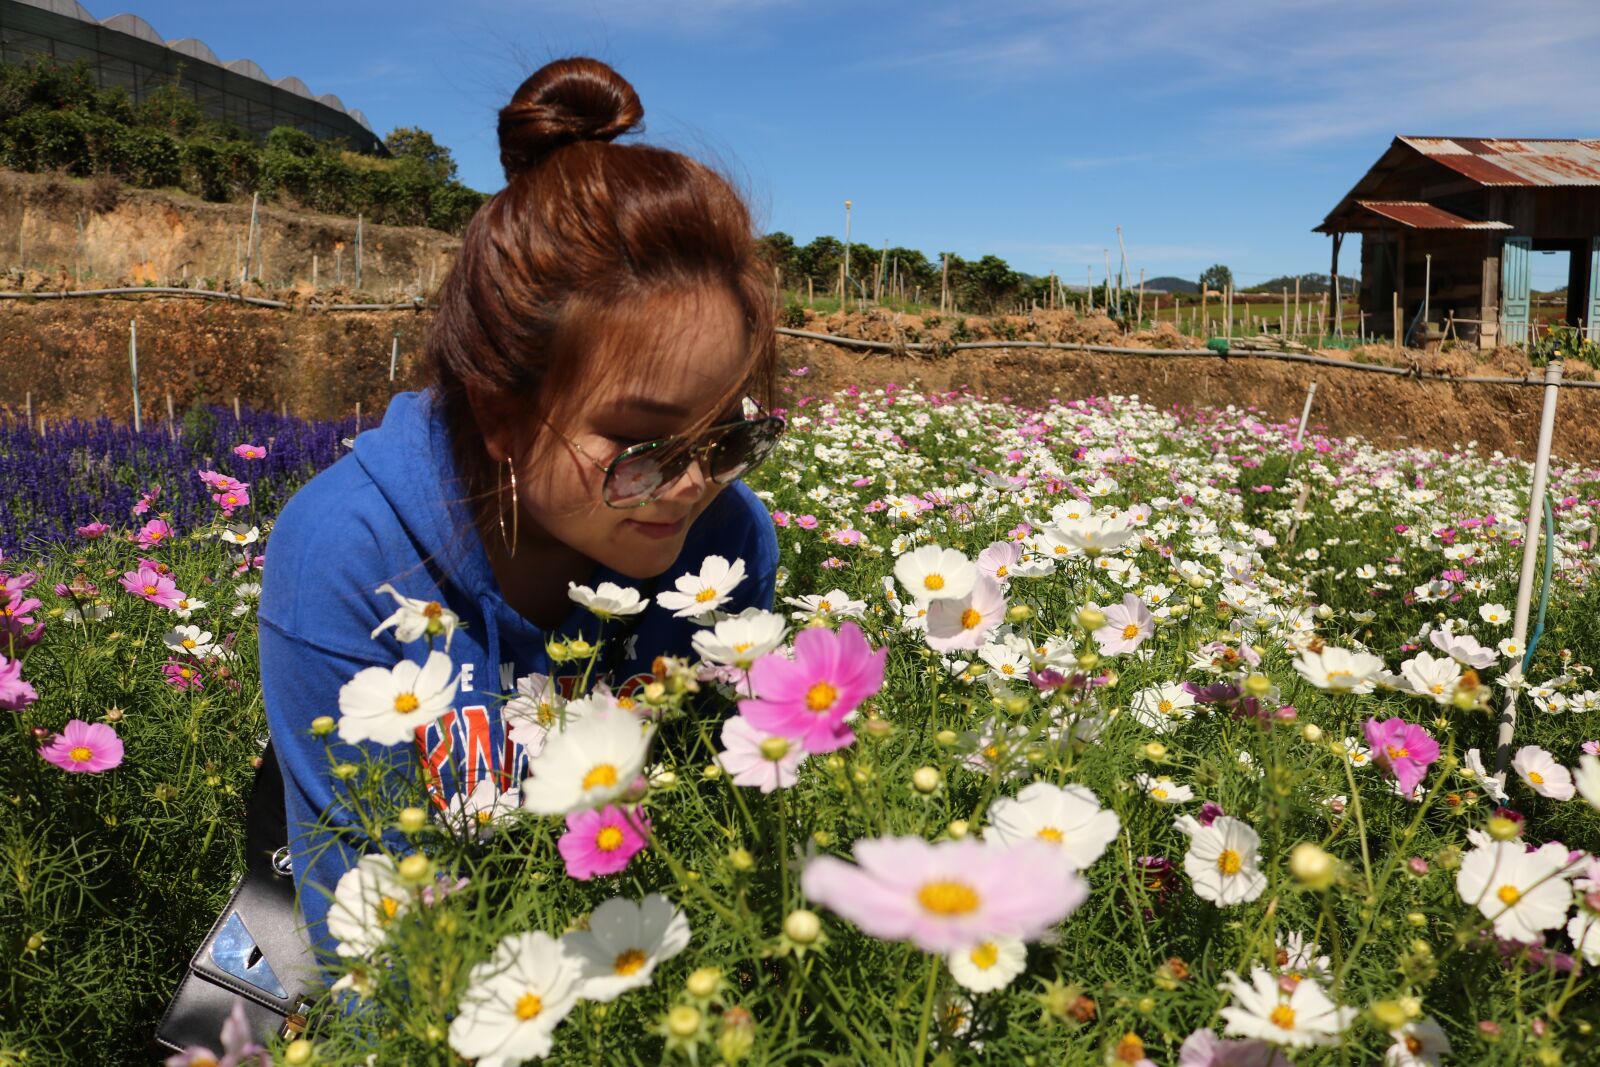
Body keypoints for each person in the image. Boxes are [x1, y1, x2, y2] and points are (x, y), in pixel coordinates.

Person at [258, 56, 784, 959]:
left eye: (729, 436)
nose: (696, 482)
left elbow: (716, 839)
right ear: (500, 414)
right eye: (646, 446)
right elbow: (377, 945)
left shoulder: (728, 542)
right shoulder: (347, 555)